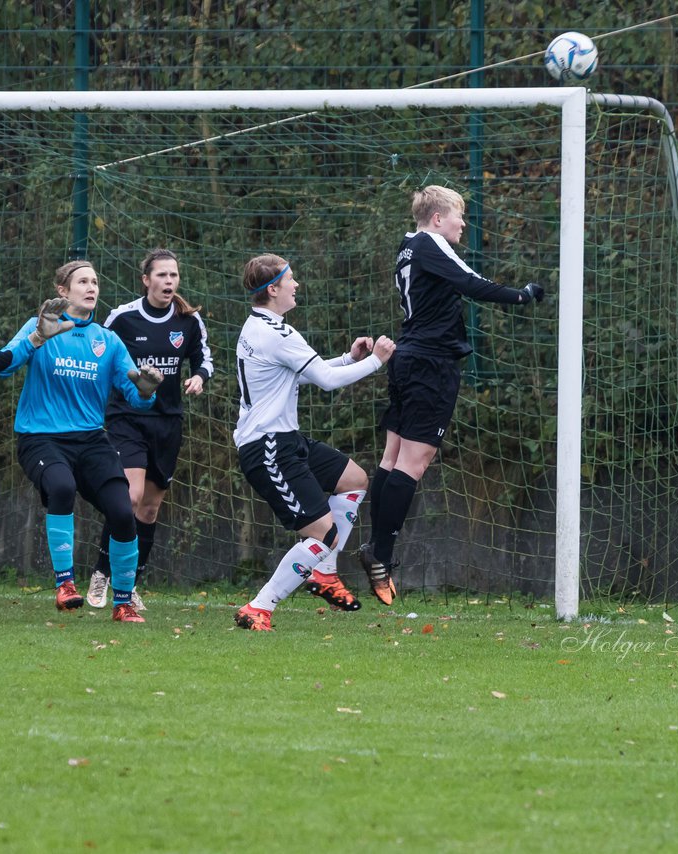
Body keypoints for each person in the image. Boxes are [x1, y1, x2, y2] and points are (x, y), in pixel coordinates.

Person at [360, 185, 546, 605]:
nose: (464, 223)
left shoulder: (406, 247)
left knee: (392, 458)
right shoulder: (429, 242)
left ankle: (377, 550)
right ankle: (381, 555)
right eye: (459, 215)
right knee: (414, 462)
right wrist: (521, 295)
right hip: (430, 364)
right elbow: (469, 282)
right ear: (438, 218)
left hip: (409, 358)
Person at [232, 253, 395, 631]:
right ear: (273, 289)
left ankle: (323, 573)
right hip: (268, 447)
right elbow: (326, 381)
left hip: (285, 440)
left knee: (354, 479)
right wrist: (376, 361)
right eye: (291, 279)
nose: (296, 285)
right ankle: (259, 607)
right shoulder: (278, 333)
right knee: (323, 535)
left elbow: (299, 376)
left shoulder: (258, 326)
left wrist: (345, 358)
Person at [0, 260, 163, 621]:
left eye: (95, 282)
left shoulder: (108, 340)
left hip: (90, 440)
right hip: (41, 438)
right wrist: (37, 338)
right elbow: (1, 365)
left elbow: (135, 395)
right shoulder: (41, 328)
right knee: (62, 486)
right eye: (83, 281)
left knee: (122, 511)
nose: (91, 287)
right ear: (62, 292)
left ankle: (122, 603)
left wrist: (146, 391)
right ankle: (65, 584)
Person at [87, 248, 213, 610]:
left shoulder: (188, 320)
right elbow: (99, 353)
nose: (169, 281)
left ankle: (131, 583)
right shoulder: (123, 318)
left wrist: (199, 377)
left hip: (168, 422)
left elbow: (203, 358)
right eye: (162, 275)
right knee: (130, 496)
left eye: (173, 275)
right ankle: (101, 573)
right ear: (146, 280)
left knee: (150, 510)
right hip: (127, 418)